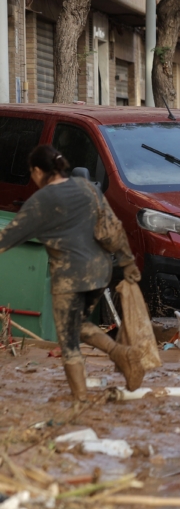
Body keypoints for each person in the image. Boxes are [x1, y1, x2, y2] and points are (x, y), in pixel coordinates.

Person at [0, 145, 145, 405]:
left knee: (68, 340)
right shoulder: (87, 188)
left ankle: (80, 402)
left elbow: (8, 237)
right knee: (78, 325)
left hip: (70, 277)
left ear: (37, 170)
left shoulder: (41, 201)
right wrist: (127, 262)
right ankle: (121, 355)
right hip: (101, 272)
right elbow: (112, 227)